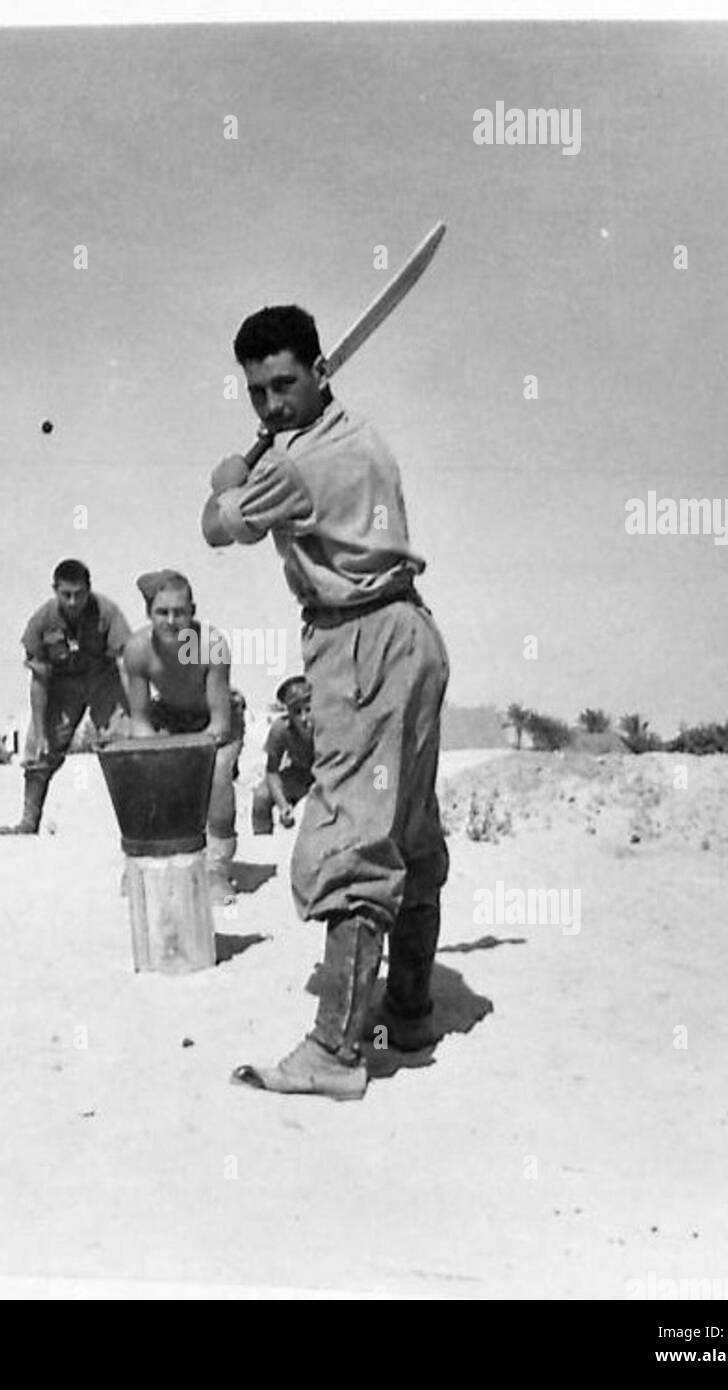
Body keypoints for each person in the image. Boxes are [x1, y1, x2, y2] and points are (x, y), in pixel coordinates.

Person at [201, 303, 451, 1100]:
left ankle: (337, 1053)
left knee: (351, 837)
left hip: (360, 645)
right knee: (404, 824)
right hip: (410, 633)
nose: (272, 406)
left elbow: (214, 527)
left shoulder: (299, 466)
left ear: (318, 373)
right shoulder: (355, 433)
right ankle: (408, 1010)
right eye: (257, 395)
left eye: (284, 386)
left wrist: (228, 477)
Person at [121, 569, 244, 905]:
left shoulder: (210, 645)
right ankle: (143, 863)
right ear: (149, 614)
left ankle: (217, 870)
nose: (172, 621)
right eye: (162, 612)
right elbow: (141, 722)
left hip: (214, 719)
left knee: (217, 775)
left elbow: (218, 725)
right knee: (140, 772)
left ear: (193, 610)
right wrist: (158, 762)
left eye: (181, 612)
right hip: (169, 717)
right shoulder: (137, 650)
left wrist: (186, 758)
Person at [0, 559, 132, 835]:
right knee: (39, 750)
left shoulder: (107, 612)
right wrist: (41, 727)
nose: (73, 602)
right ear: (55, 590)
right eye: (66, 594)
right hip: (61, 686)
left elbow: (127, 663)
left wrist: (134, 713)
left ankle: (135, 824)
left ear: (89, 589)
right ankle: (28, 821)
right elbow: (38, 680)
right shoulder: (41, 621)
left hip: (102, 679)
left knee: (124, 744)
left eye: (79, 594)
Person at [251, 676, 315, 835]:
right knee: (261, 796)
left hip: (329, 776)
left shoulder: (330, 722)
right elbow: (272, 771)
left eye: (308, 709)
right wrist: (283, 805)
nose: (304, 718)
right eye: (297, 712)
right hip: (301, 774)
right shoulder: (280, 729)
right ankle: (263, 844)